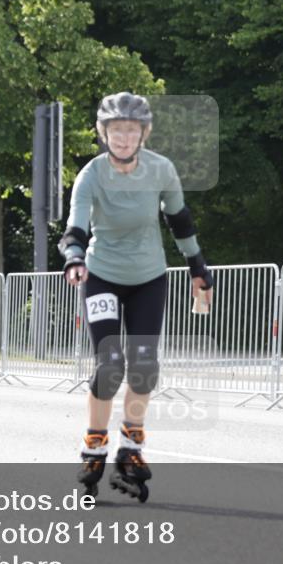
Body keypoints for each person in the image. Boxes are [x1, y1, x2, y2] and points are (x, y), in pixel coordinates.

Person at [58, 92, 214, 502]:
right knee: (110, 365)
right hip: (102, 276)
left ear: (143, 134)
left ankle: (130, 447)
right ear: (103, 133)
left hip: (149, 277)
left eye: (131, 130)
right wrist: (74, 257)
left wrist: (197, 266)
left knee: (144, 367)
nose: (123, 138)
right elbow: (75, 226)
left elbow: (179, 220)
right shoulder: (91, 174)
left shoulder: (161, 169)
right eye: (115, 130)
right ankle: (94, 447)